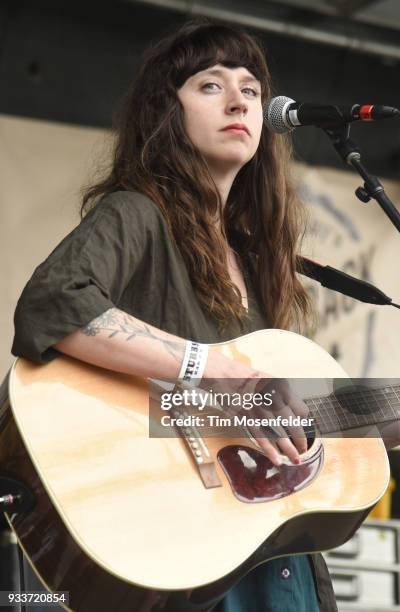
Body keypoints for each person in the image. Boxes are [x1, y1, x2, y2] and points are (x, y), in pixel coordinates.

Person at [12, 20, 338, 611]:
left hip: (271, 553)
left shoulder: (259, 261)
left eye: (252, 90)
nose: (240, 100)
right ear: (169, 110)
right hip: (192, 550)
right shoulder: (137, 214)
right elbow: (54, 301)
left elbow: (281, 416)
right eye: (211, 85)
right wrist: (203, 367)